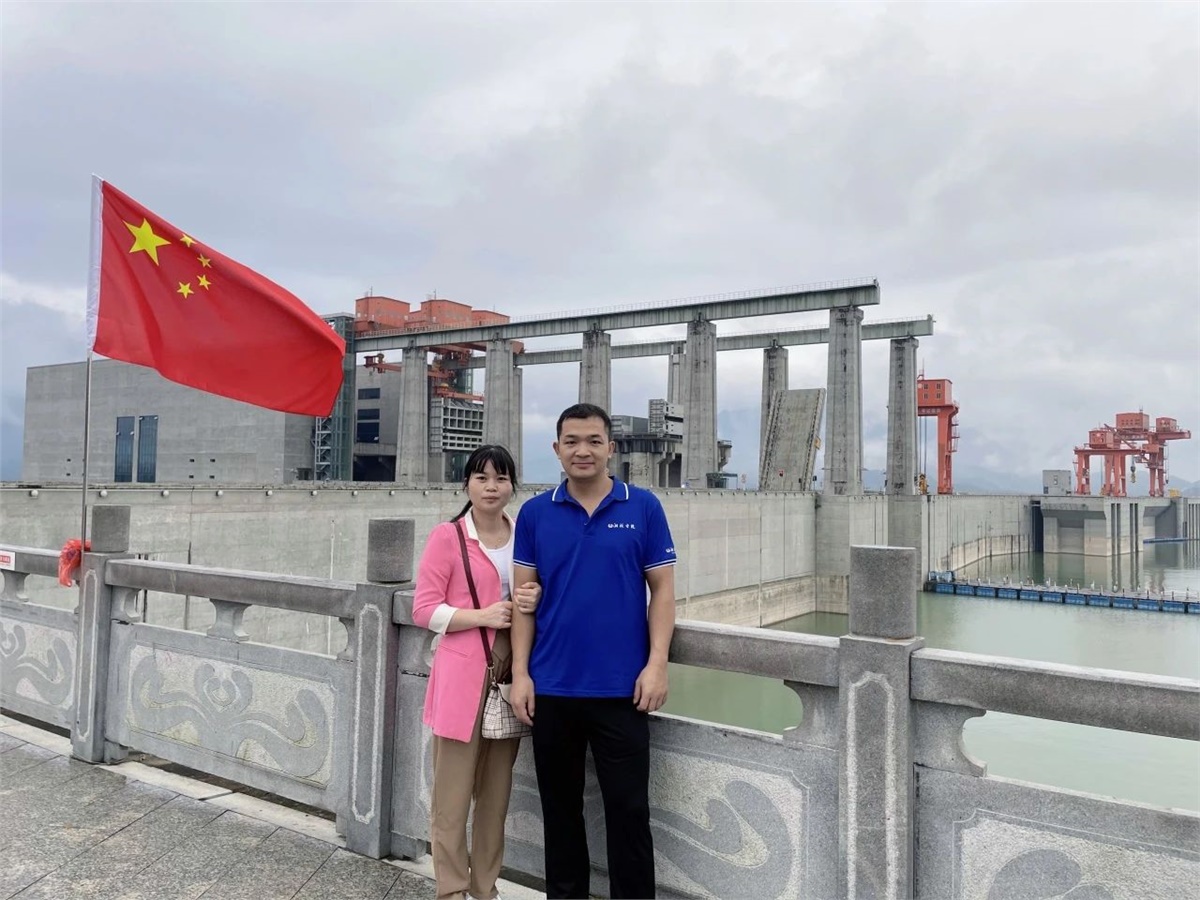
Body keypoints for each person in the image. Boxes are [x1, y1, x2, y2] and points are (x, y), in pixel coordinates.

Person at [509, 403, 677, 899]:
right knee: (560, 815)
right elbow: (523, 601)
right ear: (557, 448)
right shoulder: (535, 513)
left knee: (629, 813)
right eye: (572, 441)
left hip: (623, 691)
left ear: (611, 448)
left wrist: (657, 663)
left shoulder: (642, 507)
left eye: (593, 441)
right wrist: (521, 673)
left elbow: (663, 592)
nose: (582, 450)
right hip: (551, 689)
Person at [411, 444, 541, 900]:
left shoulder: (524, 534)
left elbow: (537, 592)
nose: (491, 487)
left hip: (510, 673)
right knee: (451, 798)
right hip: (462, 674)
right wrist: (481, 616)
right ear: (466, 483)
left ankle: (486, 889)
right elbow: (423, 610)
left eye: (501, 478)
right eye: (482, 477)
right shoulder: (448, 537)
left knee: (495, 798)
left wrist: (535, 597)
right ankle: (451, 890)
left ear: (512, 486)